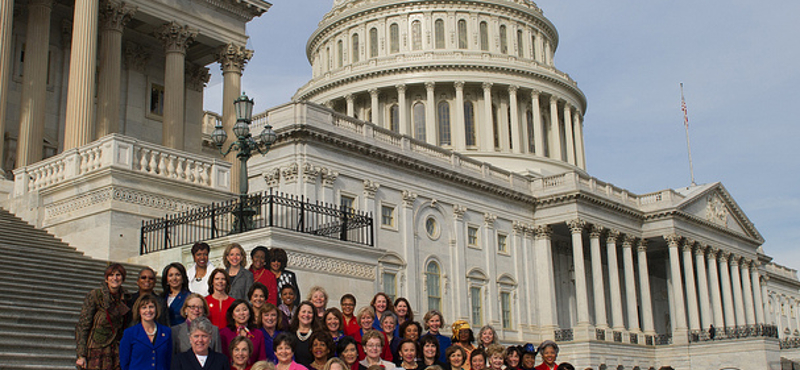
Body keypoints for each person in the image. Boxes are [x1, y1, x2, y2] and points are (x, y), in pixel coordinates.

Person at [76, 263, 131, 370]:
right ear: (106, 279)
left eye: (118, 275)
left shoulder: (126, 298)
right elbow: (83, 325)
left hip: (116, 349)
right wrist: (81, 354)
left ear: (123, 278)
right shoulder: (96, 295)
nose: (115, 278)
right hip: (96, 348)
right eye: (111, 275)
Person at [119, 293, 173, 370]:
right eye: (144, 307)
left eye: (151, 307)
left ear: (156, 309)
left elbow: (168, 361)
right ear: (139, 311)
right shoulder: (129, 333)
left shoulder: (166, 332)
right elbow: (124, 363)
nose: (148, 310)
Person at [220, 300, 267, 365]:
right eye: (237, 311)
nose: (241, 313)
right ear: (232, 315)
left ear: (250, 313)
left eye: (244, 310)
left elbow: (262, 360)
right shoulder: (223, 333)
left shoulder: (258, 334)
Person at [290, 301, 318, 367]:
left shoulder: (319, 335)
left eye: (309, 312)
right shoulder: (290, 334)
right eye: (303, 312)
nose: (306, 315)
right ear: (298, 314)